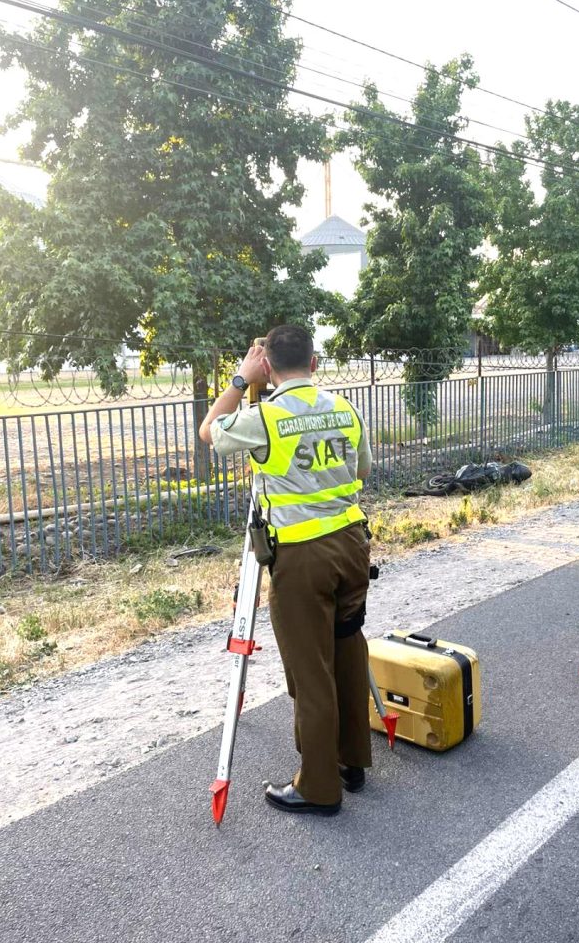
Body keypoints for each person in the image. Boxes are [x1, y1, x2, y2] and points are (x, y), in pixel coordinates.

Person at [199, 325, 374, 816]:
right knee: (347, 649)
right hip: (351, 546)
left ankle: (318, 787)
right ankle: (352, 761)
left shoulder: (266, 416)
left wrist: (240, 379)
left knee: (310, 671)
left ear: (269, 367)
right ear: (315, 363)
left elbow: (210, 432)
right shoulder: (345, 409)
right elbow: (361, 472)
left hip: (301, 556)